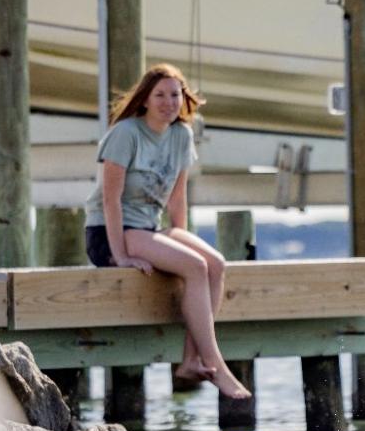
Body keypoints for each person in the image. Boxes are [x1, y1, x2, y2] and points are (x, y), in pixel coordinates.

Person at [84, 63, 250, 401]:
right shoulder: (126, 133)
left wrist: (181, 242)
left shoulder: (181, 135)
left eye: (175, 95)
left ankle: (190, 360)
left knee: (214, 264)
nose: (168, 102)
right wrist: (121, 256)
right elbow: (110, 201)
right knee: (195, 267)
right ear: (145, 99)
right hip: (110, 232)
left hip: (149, 228)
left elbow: (177, 198)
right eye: (159, 95)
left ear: (183, 98)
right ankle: (216, 364)